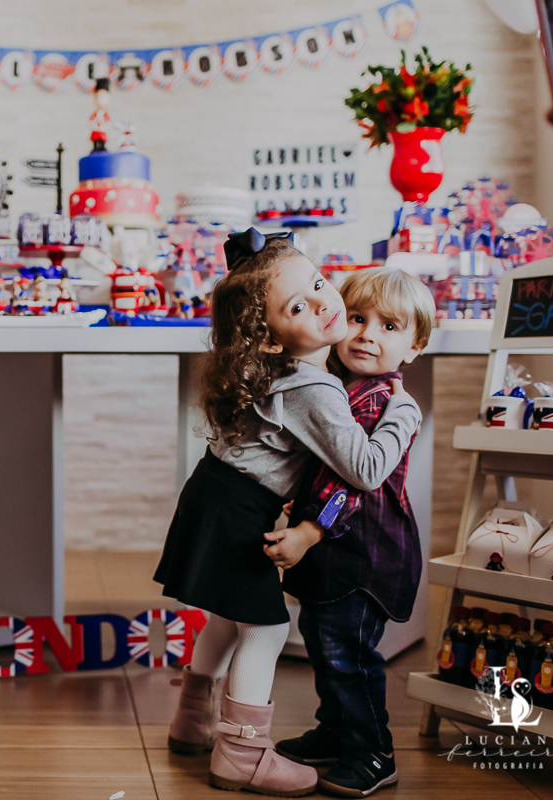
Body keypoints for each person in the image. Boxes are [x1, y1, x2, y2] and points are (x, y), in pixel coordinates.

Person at [155, 230, 421, 797]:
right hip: (237, 507)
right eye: (298, 305)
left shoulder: (284, 371)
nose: (326, 303)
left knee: (229, 615)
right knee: (268, 627)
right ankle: (243, 757)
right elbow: (366, 470)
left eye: (321, 284)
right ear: (270, 335)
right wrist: (403, 412)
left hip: (215, 493)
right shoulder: (316, 389)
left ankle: (191, 719)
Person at [264, 267, 434, 797]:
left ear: (415, 345)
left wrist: (311, 531)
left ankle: (372, 751)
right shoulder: (340, 387)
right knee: (322, 638)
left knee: (349, 653)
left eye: (389, 327)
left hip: (365, 551)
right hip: (340, 549)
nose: (366, 334)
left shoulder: (387, 403)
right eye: (358, 319)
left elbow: (354, 484)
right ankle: (336, 728)